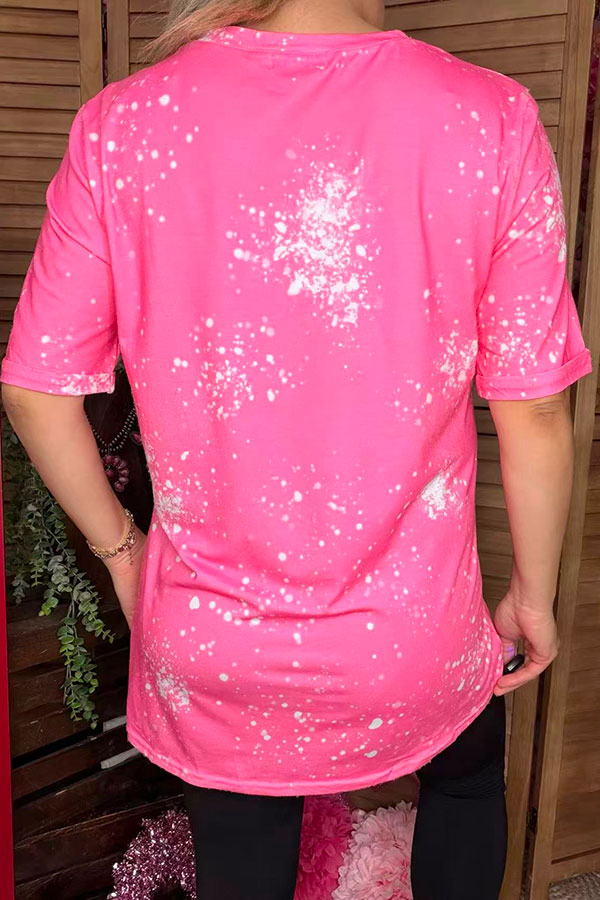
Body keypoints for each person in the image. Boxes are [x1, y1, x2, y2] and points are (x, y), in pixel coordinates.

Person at [0, 0, 592, 897]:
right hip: (416, 636)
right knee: (468, 780)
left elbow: (35, 392)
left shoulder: (123, 127)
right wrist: (533, 597)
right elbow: (537, 410)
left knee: (241, 851)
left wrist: (123, 553)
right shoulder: (490, 117)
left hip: (210, 636)